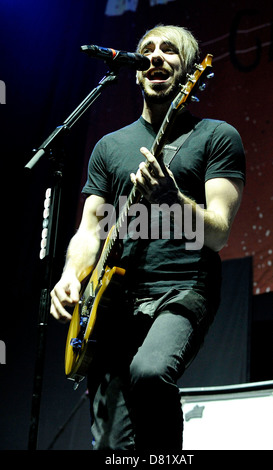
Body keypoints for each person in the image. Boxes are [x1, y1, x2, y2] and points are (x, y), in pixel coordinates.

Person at [50, 25, 245, 450]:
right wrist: (69, 275)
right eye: (147, 51)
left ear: (190, 69)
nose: (156, 57)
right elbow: (90, 229)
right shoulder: (109, 147)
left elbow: (218, 232)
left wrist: (172, 198)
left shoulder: (216, 137)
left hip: (182, 289)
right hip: (112, 301)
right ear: (137, 72)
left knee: (151, 371)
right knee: (113, 446)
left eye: (170, 50)